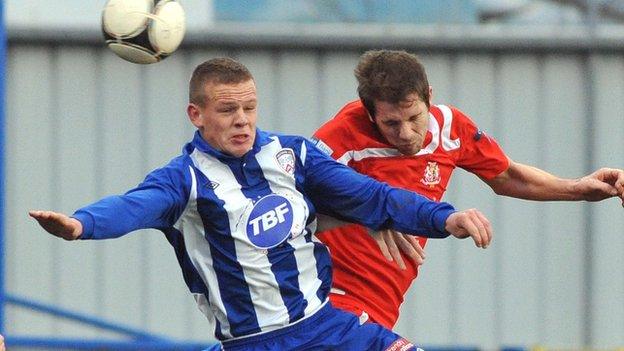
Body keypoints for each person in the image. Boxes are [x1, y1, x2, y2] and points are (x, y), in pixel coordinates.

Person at [29, 57, 494, 350]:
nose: (242, 120)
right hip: (255, 342)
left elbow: (374, 196)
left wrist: (444, 216)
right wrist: (81, 224)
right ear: (197, 115)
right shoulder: (183, 180)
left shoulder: (292, 155)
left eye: (249, 108)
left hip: (331, 328)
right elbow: (131, 207)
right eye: (228, 110)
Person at [312, 49, 624, 330]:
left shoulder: (452, 128)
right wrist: (368, 212)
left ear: (429, 97)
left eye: (414, 118)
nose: (406, 133)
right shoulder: (341, 136)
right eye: (391, 123)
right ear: (370, 114)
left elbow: (507, 176)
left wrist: (578, 188)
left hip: (383, 303)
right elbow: (285, 204)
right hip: (329, 294)